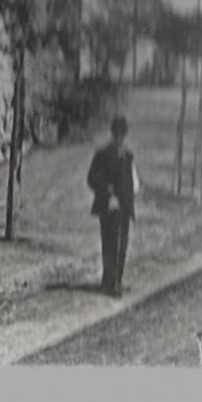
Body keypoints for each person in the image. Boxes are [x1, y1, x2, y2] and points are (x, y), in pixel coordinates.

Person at [86, 115, 137, 297]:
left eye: (122, 134)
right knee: (110, 244)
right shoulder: (102, 155)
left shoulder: (128, 155)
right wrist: (107, 191)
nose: (119, 137)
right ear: (112, 133)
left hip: (123, 207)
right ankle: (110, 282)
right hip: (109, 207)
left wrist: (130, 203)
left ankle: (117, 280)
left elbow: (131, 182)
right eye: (117, 134)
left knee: (122, 245)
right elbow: (92, 178)